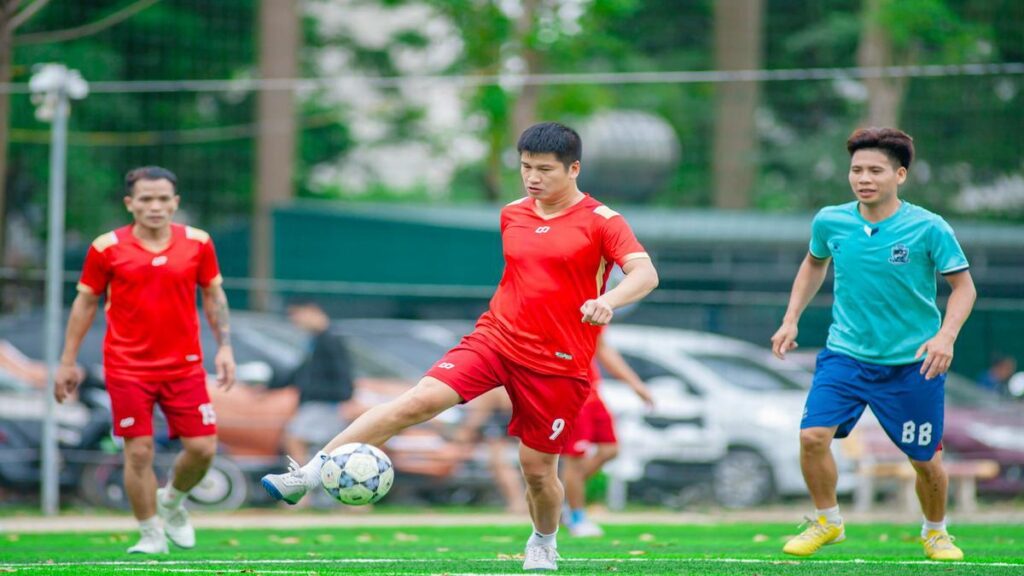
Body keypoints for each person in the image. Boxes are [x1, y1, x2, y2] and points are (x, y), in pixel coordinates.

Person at [261, 122, 659, 571]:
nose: (532, 178)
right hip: (495, 338)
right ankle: (309, 473)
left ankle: (543, 541)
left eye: (545, 170)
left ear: (574, 169)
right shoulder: (513, 212)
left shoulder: (603, 221)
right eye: (525, 167)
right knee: (416, 402)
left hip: (558, 362)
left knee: (538, 472)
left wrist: (608, 300)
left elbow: (645, 274)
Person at [770, 128, 976, 562]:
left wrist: (946, 336)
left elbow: (964, 288)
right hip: (845, 355)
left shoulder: (928, 227)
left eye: (876, 170)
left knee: (924, 461)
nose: (864, 178)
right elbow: (813, 264)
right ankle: (827, 520)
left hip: (912, 365)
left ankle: (936, 532)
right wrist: (791, 319)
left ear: (899, 175)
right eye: (857, 170)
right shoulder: (831, 221)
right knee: (812, 437)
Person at [55, 166, 236, 554]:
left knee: (203, 448)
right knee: (138, 451)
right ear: (130, 203)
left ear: (175, 203)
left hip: (184, 365)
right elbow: (85, 302)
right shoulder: (106, 248)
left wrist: (225, 347)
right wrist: (67, 360)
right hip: (126, 367)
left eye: (162, 199)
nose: (155, 206)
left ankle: (171, 502)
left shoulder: (199, 243)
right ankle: (151, 534)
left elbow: (214, 297)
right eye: (146, 199)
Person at [561, 333, 653, 538]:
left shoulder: (593, 309)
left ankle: (557, 497)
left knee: (610, 450)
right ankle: (576, 517)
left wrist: (635, 384)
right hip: (572, 393)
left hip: (593, 392)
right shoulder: (559, 309)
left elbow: (602, 347)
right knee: (574, 462)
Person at [269, 301, 356, 493]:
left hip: (324, 404)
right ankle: (352, 501)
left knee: (295, 439)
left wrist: (343, 398)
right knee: (334, 453)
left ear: (312, 311)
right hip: (318, 403)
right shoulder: (315, 341)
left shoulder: (330, 339)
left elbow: (344, 374)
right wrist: (270, 386)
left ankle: (300, 491)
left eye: (297, 316)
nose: (295, 322)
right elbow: (301, 372)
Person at [451, 387, 528, 514]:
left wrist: (463, 436)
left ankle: (518, 503)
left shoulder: (495, 391)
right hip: (504, 440)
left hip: (509, 440)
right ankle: (519, 503)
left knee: (501, 463)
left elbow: (475, 421)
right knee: (503, 462)